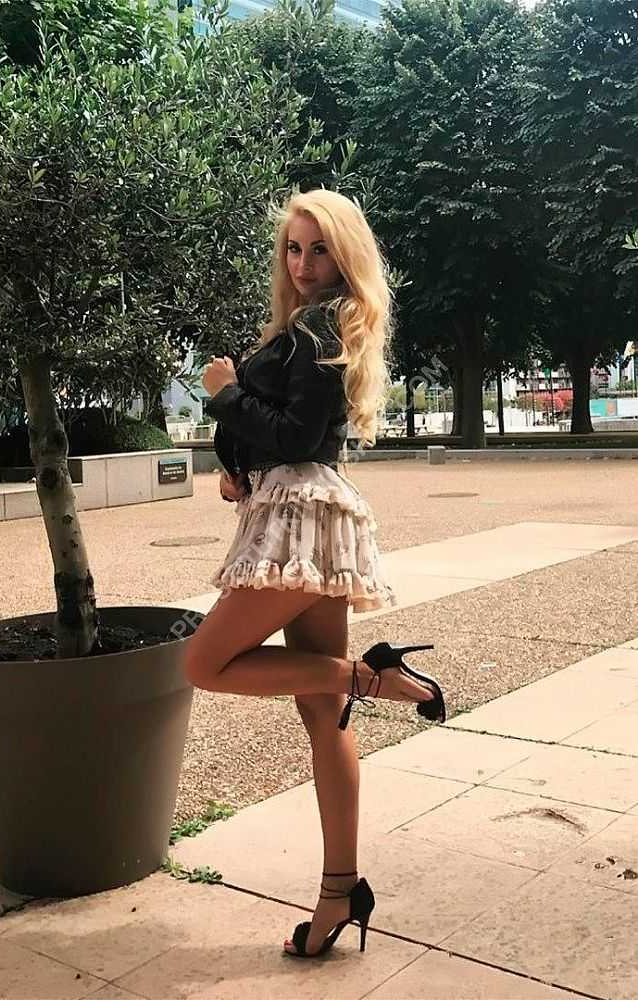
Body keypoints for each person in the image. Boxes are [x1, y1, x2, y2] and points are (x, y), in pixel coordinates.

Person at [183, 189, 446, 959]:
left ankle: (372, 677)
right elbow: (287, 432)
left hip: (298, 518)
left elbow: (297, 435)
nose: (303, 263)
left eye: (319, 249)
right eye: (294, 249)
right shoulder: (314, 324)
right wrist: (237, 466)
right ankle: (340, 890)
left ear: (344, 253)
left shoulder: (322, 325)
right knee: (322, 716)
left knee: (203, 663)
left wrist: (225, 393)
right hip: (298, 509)